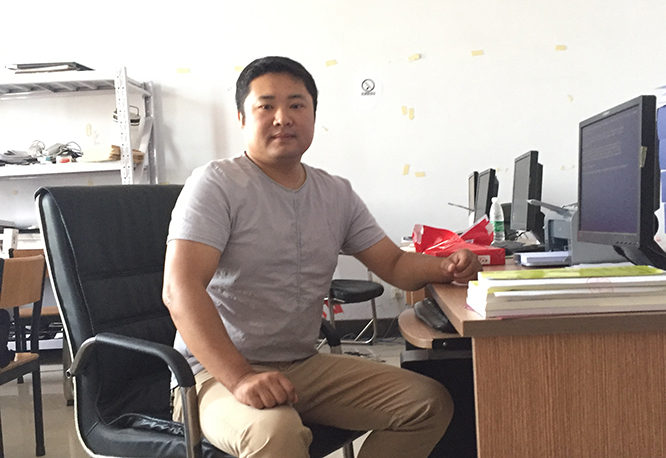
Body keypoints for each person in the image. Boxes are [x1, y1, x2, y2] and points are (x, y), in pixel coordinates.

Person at [163, 56, 483, 458]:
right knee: (274, 432)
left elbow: (395, 265)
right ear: (242, 118)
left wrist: (448, 265)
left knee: (427, 404)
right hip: (213, 374)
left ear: (314, 115)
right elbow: (180, 289)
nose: (283, 118)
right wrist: (241, 377)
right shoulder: (216, 184)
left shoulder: (335, 193)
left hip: (301, 365)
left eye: (297, 105)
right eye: (266, 106)